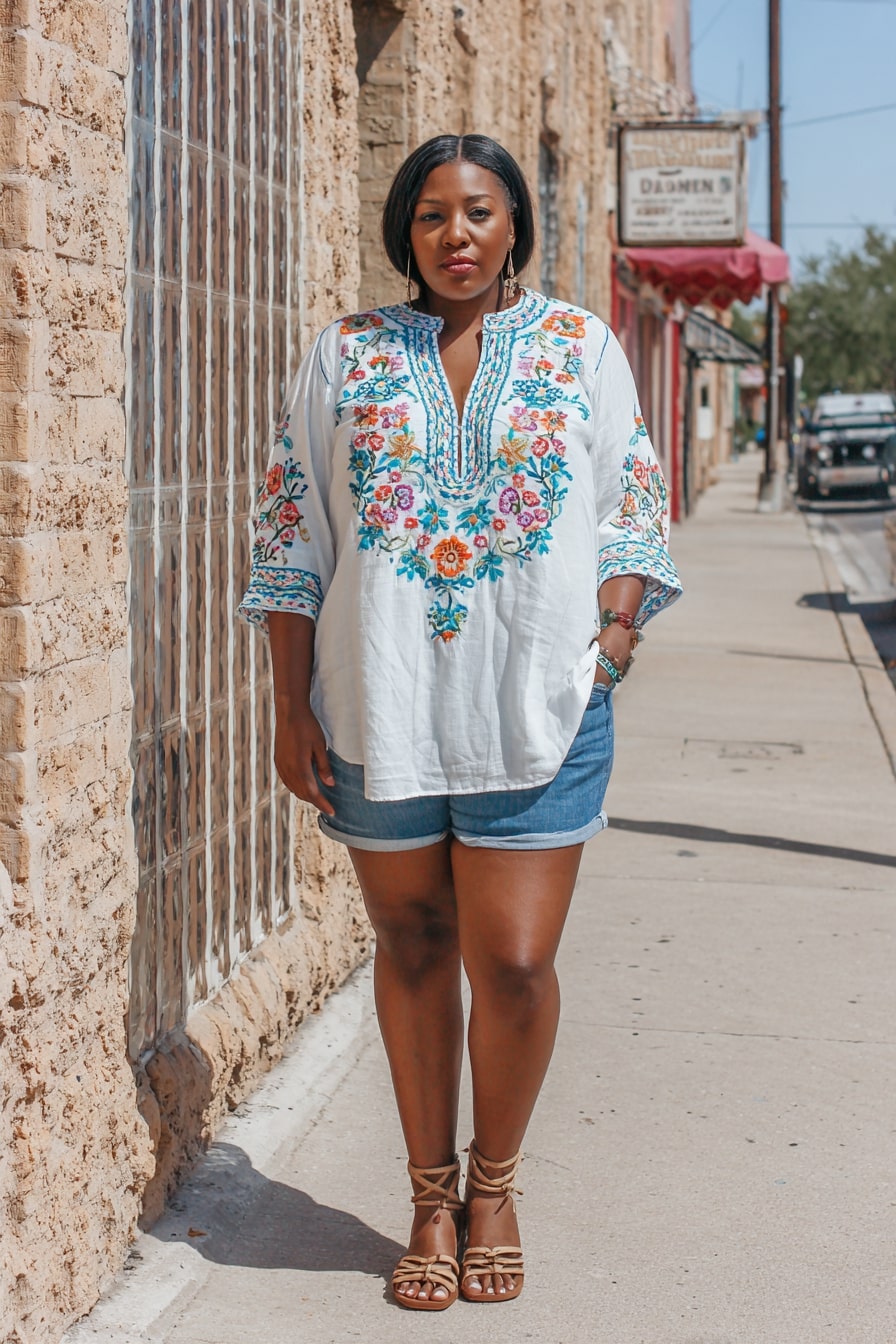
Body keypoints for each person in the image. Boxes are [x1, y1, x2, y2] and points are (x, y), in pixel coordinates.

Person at [239, 133, 681, 1311]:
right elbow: (292, 537)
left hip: (539, 704)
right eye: (432, 213)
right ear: (405, 230)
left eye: (478, 212)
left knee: (517, 963)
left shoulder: (578, 346)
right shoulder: (344, 356)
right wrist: (290, 708)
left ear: (512, 226)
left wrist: (613, 640)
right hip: (377, 705)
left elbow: (631, 500)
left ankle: (496, 1182)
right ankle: (430, 1200)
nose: (455, 234)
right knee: (417, 948)